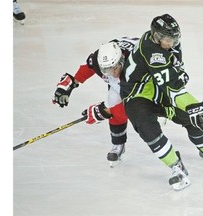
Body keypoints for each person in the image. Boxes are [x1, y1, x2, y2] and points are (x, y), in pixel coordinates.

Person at [120, 14, 203, 190]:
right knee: (147, 128)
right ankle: (176, 166)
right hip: (137, 95)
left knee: (192, 116)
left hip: (158, 88)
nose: (172, 43)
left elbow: (173, 77)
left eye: (175, 38)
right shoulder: (153, 52)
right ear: (157, 37)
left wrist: (192, 108)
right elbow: (174, 87)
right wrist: (191, 104)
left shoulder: (168, 43)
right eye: (168, 39)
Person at [53, 37, 139, 167]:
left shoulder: (135, 68)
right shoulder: (100, 60)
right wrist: (71, 83)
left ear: (122, 60)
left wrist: (105, 112)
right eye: (106, 70)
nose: (111, 73)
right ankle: (118, 144)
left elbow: (135, 105)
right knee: (113, 99)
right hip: (122, 59)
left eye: (114, 68)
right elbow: (89, 65)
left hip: (142, 80)